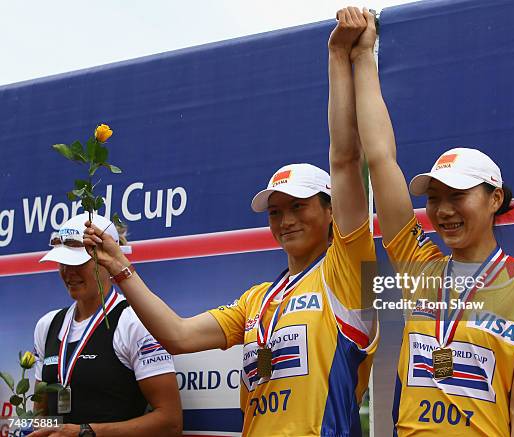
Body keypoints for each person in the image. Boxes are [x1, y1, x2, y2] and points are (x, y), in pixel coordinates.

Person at [81, 9, 378, 436]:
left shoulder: (349, 270)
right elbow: (179, 337)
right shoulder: (257, 301)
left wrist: (338, 56)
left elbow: (346, 161)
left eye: (298, 206)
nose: (285, 219)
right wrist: (119, 269)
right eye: (276, 211)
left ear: (331, 211)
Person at [350, 9, 514, 437]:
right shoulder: (418, 267)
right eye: (433, 199)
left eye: (457, 196)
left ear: (494, 199)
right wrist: (362, 56)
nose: (443, 210)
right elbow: (380, 159)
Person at [31, 213, 182, 437]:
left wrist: (85, 432)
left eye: (78, 263)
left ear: (106, 261)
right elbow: (40, 416)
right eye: (63, 262)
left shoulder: (134, 322)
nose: (68, 272)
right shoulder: (47, 325)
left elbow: (170, 423)